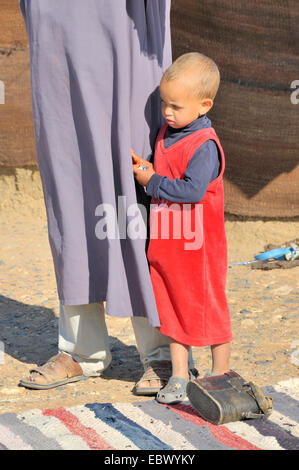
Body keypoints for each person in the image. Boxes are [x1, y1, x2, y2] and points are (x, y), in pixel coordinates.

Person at [18, 0, 196, 393]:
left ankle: (163, 348)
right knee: (71, 176)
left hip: (124, 17)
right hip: (58, 19)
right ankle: (81, 348)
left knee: (137, 166)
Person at [132, 52, 233, 404]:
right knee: (172, 308)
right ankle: (178, 375)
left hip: (199, 248)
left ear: (205, 105)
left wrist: (151, 180)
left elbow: (190, 190)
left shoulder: (204, 145)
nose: (167, 112)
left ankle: (221, 374)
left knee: (209, 306)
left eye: (176, 106)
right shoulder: (165, 133)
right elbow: (167, 173)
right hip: (169, 243)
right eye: (164, 103)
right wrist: (149, 168)